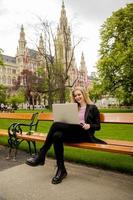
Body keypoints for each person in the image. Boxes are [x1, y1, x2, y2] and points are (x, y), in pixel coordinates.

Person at [26, 86, 106, 184]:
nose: (77, 97)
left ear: (84, 94)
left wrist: (89, 125)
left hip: (84, 134)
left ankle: (41, 154)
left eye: (79, 94)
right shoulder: (74, 107)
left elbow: (98, 126)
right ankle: (61, 170)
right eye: (75, 95)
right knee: (57, 135)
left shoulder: (92, 108)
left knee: (55, 125)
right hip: (73, 132)